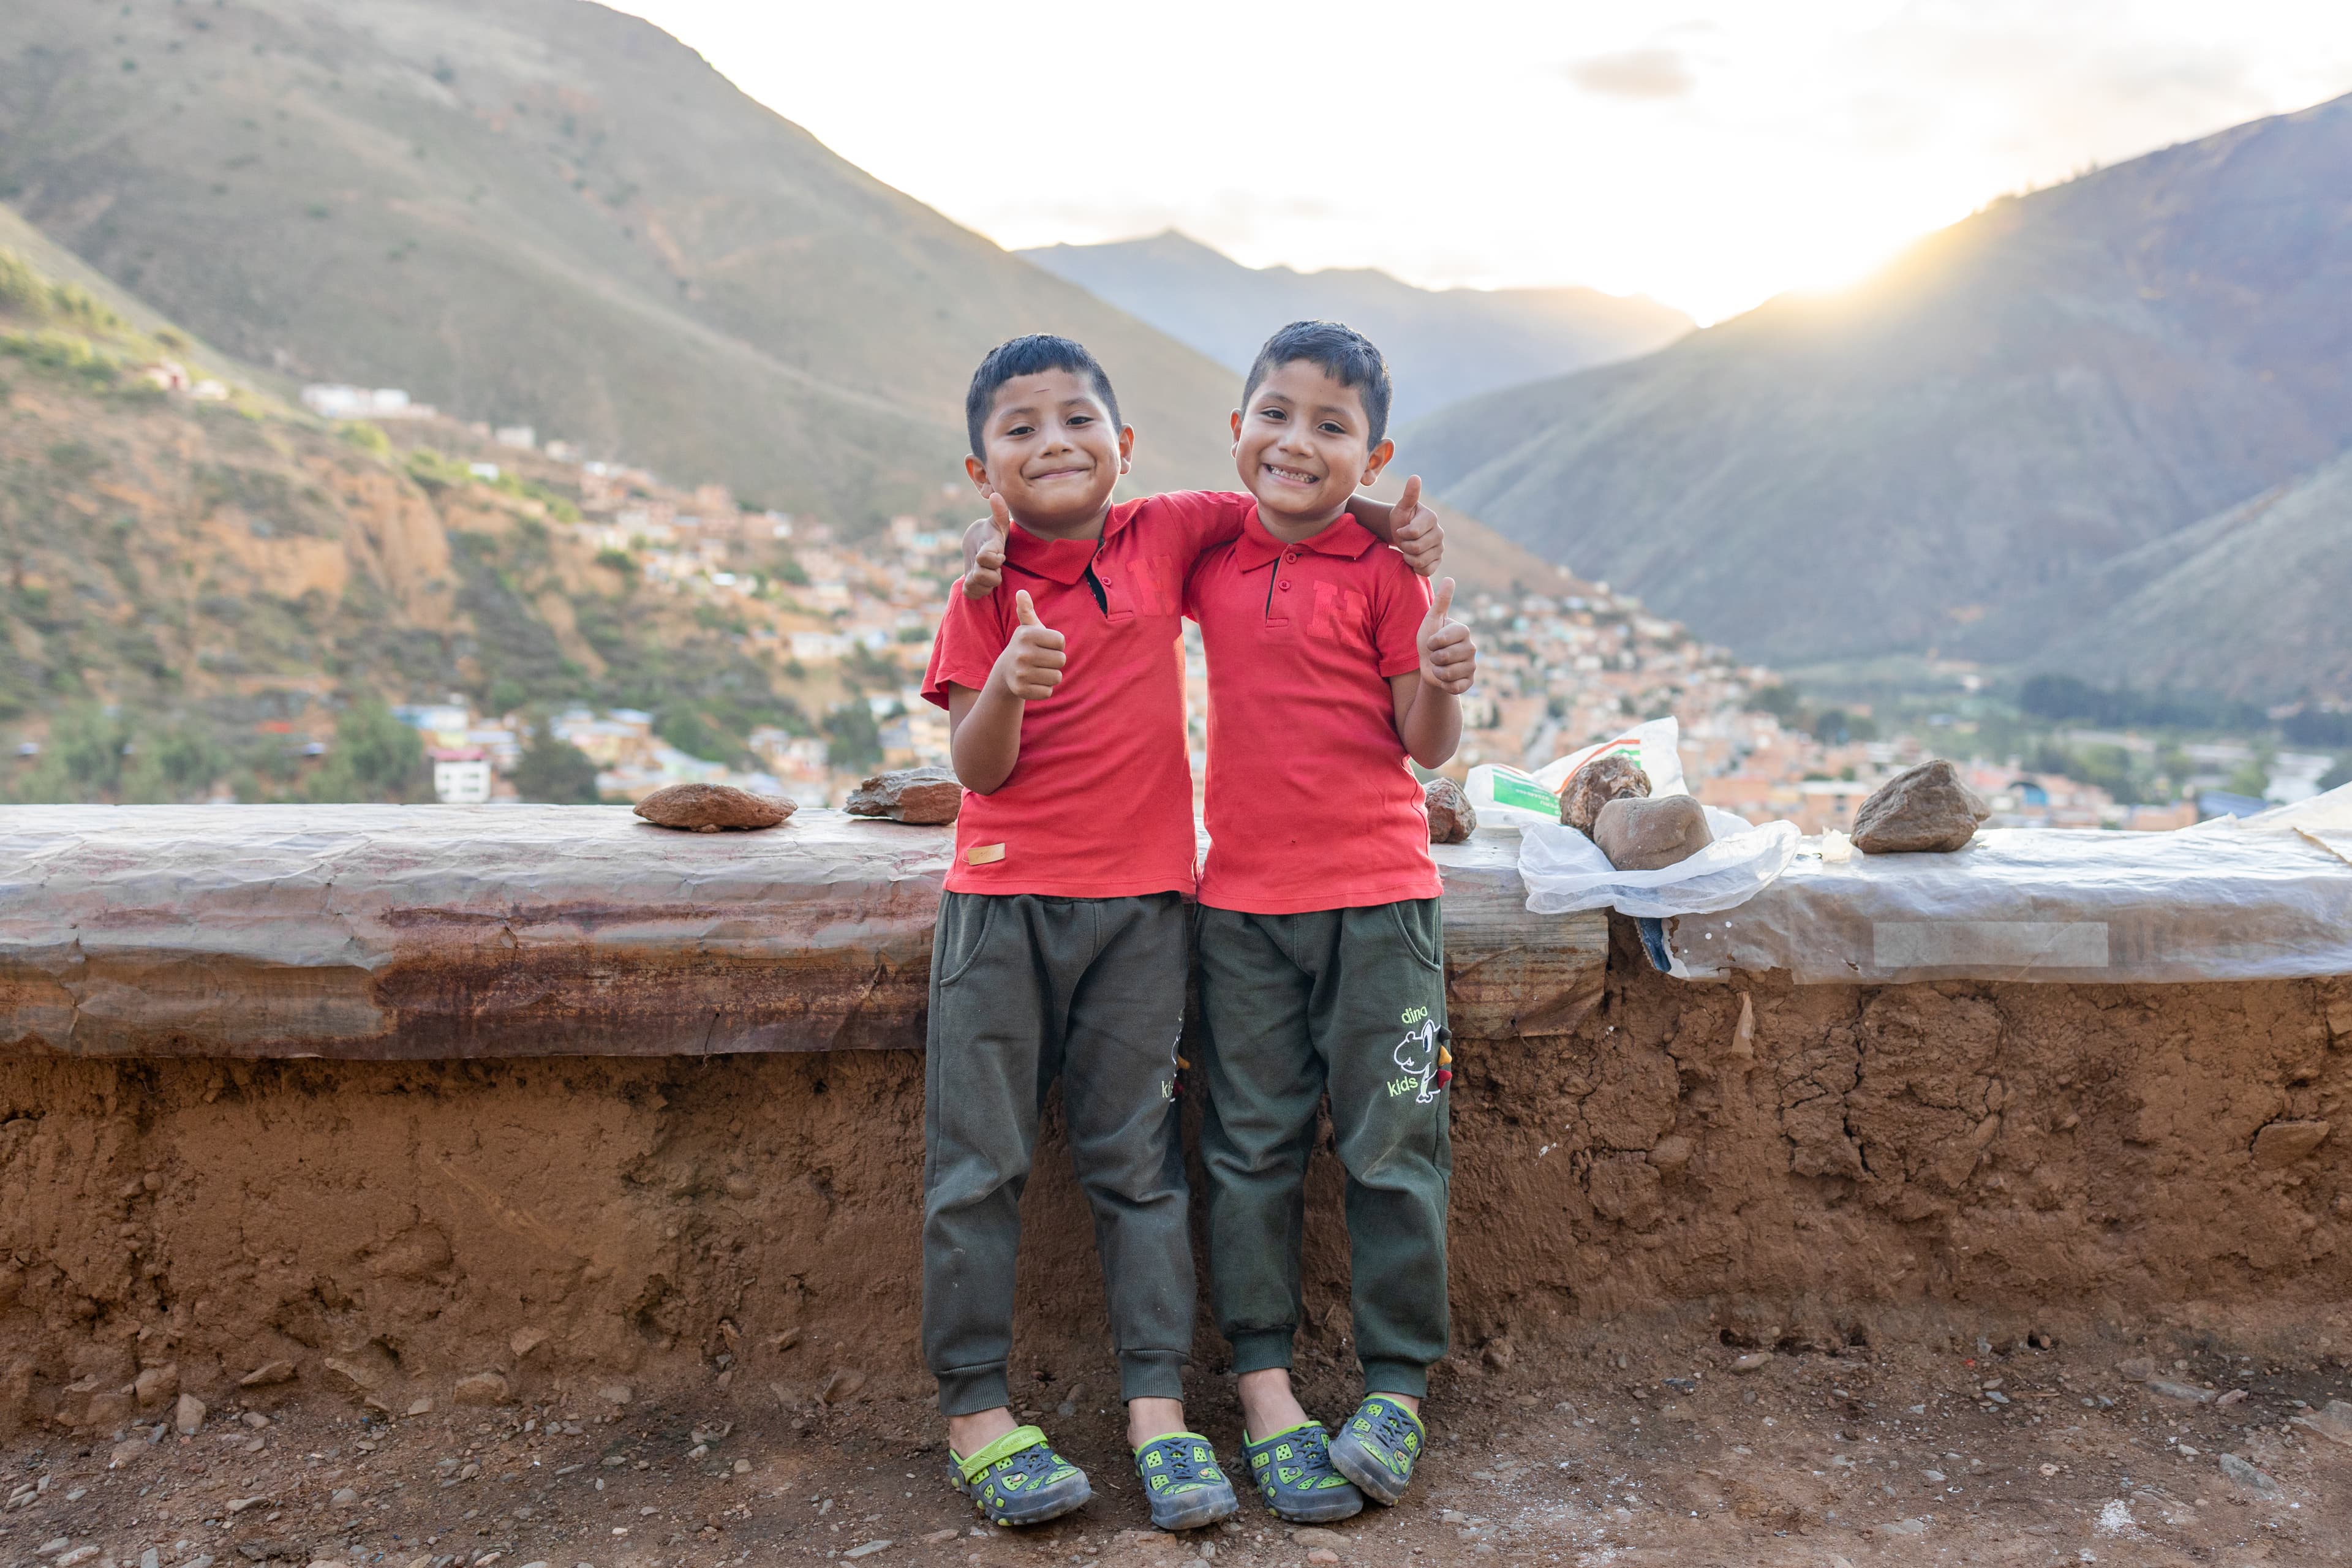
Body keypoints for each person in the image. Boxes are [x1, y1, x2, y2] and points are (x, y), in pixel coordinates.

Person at [920, 334, 1441, 1533]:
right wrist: (1006, 671)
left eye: (1077, 420)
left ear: (1128, 445)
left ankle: (1162, 1409)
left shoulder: (1169, 531)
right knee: (977, 1163)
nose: (1054, 442)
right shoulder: (983, 589)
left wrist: (1401, 528)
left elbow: (1292, 481)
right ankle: (974, 1411)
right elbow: (975, 765)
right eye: (1020, 428)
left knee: (1140, 1168)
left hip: (1151, 907)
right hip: (1001, 901)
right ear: (979, 467)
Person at [1185, 320, 1477, 1522]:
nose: (1297, 440)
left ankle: (1397, 1384)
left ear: (1376, 450)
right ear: (1238, 424)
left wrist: (1445, 671)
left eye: (1331, 424)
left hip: (1379, 905)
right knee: (1247, 1147)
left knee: (1392, 1144)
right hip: (1242, 912)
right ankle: (1265, 1383)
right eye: (1277, 413)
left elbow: (1424, 741)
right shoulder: (1205, 549)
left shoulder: (1389, 567)